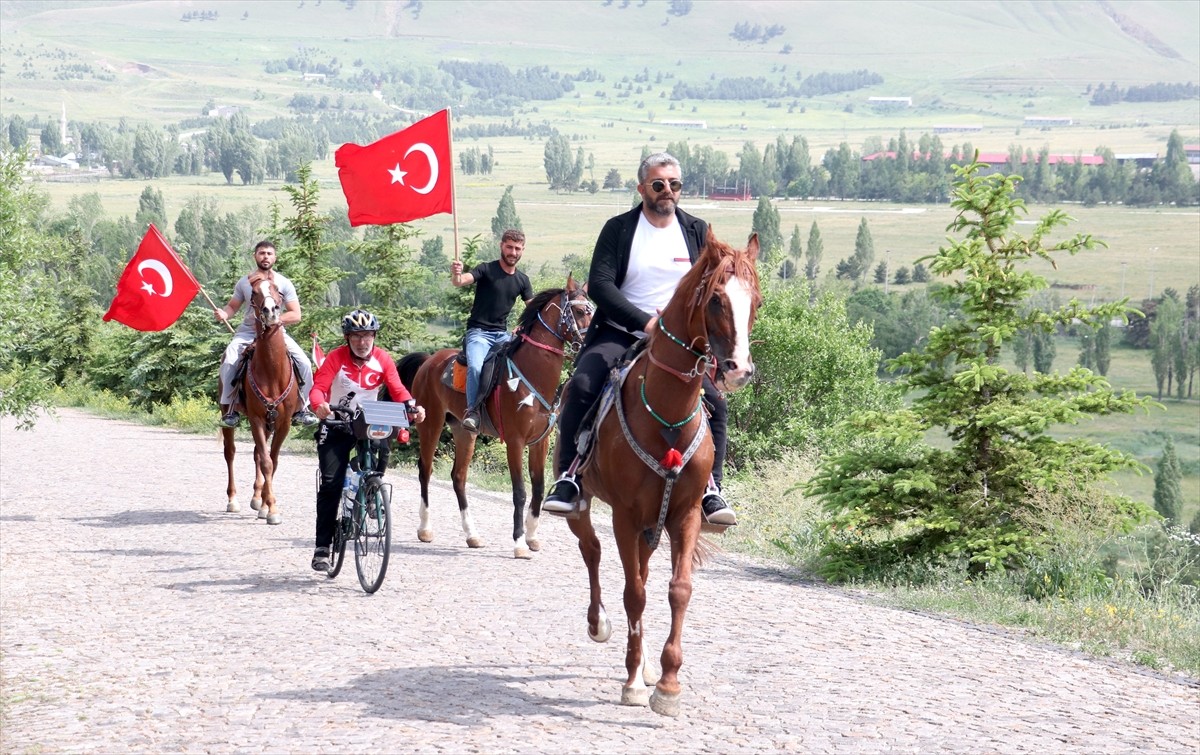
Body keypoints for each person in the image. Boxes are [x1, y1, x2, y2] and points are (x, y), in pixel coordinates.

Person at [542, 152, 737, 526]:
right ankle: (569, 477)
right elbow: (600, 285)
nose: (667, 191)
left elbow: (714, 288)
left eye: (674, 185)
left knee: (717, 405)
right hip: (622, 332)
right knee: (583, 385)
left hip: (681, 345)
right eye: (658, 184)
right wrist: (647, 323)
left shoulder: (697, 230)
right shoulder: (619, 229)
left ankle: (711, 488)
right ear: (642, 188)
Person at [307, 309, 426, 571]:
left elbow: (398, 390)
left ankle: (371, 491)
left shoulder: (382, 358)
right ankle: (323, 548)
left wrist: (414, 407)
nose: (363, 342)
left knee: (383, 452)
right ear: (348, 338)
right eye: (357, 336)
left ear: (374, 336)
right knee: (330, 484)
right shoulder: (336, 358)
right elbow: (319, 387)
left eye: (368, 336)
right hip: (337, 423)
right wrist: (319, 405)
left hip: (368, 422)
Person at [214, 240, 317, 428]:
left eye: (269, 253)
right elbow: (232, 306)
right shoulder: (244, 283)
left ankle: (303, 408)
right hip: (247, 333)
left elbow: (296, 314)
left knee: (304, 363)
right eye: (261, 253)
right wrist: (224, 313)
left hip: (276, 333)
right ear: (255, 256)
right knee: (229, 360)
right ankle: (230, 409)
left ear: (275, 257)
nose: (265, 256)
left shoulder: (284, 283)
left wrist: (275, 320)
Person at [450, 228, 534, 433]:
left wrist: (523, 326)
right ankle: (472, 412)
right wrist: (456, 273)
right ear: (501, 246)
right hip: (478, 333)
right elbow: (460, 282)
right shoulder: (486, 269)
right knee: (476, 368)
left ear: (522, 250)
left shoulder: (522, 280)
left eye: (517, 248)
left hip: (502, 336)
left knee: (520, 367)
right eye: (509, 247)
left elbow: (532, 310)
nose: (513, 252)